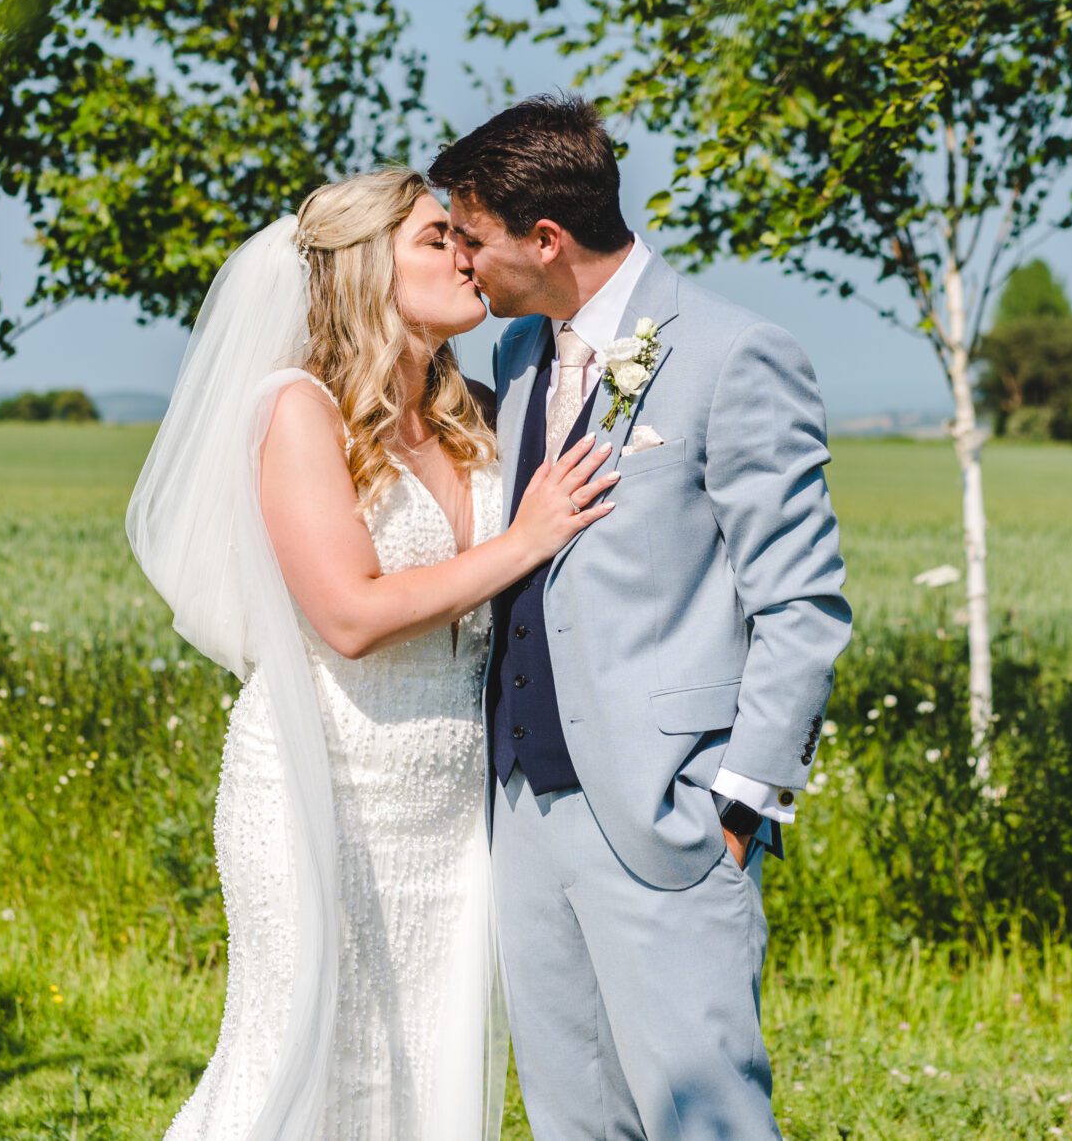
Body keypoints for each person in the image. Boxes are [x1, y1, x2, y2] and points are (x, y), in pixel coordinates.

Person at [127, 166, 615, 1140]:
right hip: (322, 789)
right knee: (303, 1060)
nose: (464, 255)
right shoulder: (296, 411)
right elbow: (347, 614)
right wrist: (522, 539)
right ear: (362, 268)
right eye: (436, 239)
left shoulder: (469, 408)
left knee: (421, 1064)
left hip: (447, 808)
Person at [432, 94, 854, 1141]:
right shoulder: (520, 355)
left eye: (473, 238)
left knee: (703, 1122)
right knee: (573, 1119)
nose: (462, 262)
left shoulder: (732, 354)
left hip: (671, 817)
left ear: (544, 237)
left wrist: (737, 804)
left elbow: (800, 603)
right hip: (526, 811)